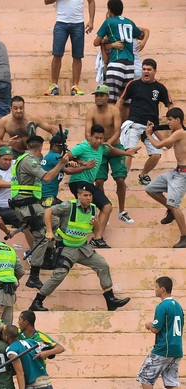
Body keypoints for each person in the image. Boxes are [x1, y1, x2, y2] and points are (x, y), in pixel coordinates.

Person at [29, 187, 131, 311]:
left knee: (102, 265)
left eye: (90, 195)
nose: (88, 198)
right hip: (67, 248)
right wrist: (49, 231)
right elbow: (48, 211)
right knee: (59, 275)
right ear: (78, 196)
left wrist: (96, 225)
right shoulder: (68, 206)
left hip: (83, 248)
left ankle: (110, 300)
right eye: (85, 195)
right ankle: (37, 301)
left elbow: (96, 232)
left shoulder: (93, 209)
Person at [9, 134, 69, 289]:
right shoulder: (29, 160)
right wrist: (61, 163)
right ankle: (34, 275)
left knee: (54, 222)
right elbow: (47, 178)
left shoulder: (24, 159)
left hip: (32, 204)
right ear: (40, 147)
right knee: (42, 235)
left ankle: (48, 257)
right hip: (26, 205)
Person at [67, 125, 138, 248]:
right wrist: (79, 163)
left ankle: (95, 237)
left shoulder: (101, 148)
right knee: (106, 206)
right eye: (96, 138)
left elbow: (112, 151)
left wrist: (127, 153)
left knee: (105, 207)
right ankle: (96, 237)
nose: (99, 141)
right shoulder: (83, 147)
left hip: (88, 183)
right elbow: (68, 155)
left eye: (101, 138)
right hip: (78, 181)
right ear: (90, 137)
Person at [116, 58, 174, 185]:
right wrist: (114, 116)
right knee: (129, 150)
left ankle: (143, 175)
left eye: (149, 69)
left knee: (156, 155)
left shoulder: (160, 88)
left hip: (151, 126)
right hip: (133, 122)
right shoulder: (133, 84)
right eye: (144, 69)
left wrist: (169, 120)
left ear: (155, 71)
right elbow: (121, 100)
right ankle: (122, 179)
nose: (146, 72)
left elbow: (170, 105)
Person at [85, 84, 133, 223]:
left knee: (120, 179)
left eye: (101, 95)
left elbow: (117, 130)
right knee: (99, 181)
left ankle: (122, 211)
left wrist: (109, 143)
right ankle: (103, 209)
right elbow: (87, 133)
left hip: (114, 146)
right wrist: (96, 143)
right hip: (99, 148)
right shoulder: (91, 112)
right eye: (96, 95)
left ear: (107, 96)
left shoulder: (114, 111)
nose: (98, 98)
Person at [145, 107, 186, 248]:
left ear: (178, 120)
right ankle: (170, 209)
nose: (168, 122)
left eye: (170, 119)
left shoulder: (180, 133)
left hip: (183, 174)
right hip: (176, 172)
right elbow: (168, 145)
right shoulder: (176, 133)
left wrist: (148, 135)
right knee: (151, 188)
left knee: (175, 205)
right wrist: (155, 131)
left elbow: (158, 145)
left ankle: (184, 237)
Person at [138, 276, 184, 389]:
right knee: (171, 383)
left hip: (163, 349)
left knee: (145, 378)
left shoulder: (162, 306)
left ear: (162, 289)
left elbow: (156, 329)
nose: (155, 289)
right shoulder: (178, 306)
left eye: (156, 287)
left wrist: (149, 325)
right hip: (177, 349)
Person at [93, 0, 143, 103]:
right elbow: (141, 35)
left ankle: (113, 119)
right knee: (126, 100)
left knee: (111, 99)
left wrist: (108, 41)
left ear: (109, 10)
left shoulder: (109, 22)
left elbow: (96, 42)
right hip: (130, 64)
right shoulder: (130, 22)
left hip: (116, 62)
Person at [43, 0, 95, 96]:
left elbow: (91, 1)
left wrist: (91, 21)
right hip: (61, 22)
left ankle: (75, 86)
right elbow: (46, 1)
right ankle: (54, 85)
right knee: (57, 54)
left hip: (78, 23)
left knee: (77, 56)